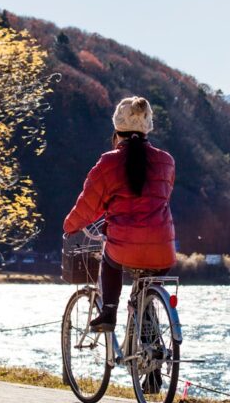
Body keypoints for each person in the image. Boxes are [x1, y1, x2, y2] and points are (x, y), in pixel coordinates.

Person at [63, 96, 176, 333]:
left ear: (117, 129)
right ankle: (148, 334)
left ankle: (109, 312)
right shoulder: (166, 161)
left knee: (110, 259)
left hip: (123, 247)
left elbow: (89, 204)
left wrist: (70, 226)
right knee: (145, 292)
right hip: (163, 249)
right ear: (148, 128)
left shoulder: (109, 162)